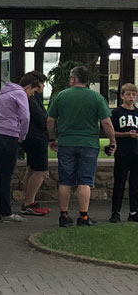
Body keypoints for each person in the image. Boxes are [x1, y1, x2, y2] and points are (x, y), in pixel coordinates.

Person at [48, 65, 118, 227]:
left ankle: (64, 215)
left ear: (73, 79)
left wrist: (51, 138)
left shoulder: (61, 96)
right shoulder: (96, 97)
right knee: (85, 180)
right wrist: (112, 140)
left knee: (65, 180)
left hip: (66, 142)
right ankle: (83, 216)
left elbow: (50, 120)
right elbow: (106, 122)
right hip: (89, 143)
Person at [0, 72, 41, 221]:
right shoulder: (20, 94)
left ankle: (1, 209)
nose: (32, 95)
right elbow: (26, 117)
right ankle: (6, 213)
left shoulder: (3, 93)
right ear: (29, 87)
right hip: (8, 136)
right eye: (33, 91)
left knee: (0, 174)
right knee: (6, 176)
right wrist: (22, 136)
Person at [19, 72, 51, 216]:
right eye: (42, 84)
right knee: (40, 171)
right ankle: (29, 203)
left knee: (31, 169)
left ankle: (28, 200)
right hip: (36, 138)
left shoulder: (32, 97)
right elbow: (41, 118)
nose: (43, 87)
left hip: (30, 138)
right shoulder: (30, 99)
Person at [108, 82, 138, 223]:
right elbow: (111, 132)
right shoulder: (116, 113)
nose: (131, 97)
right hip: (122, 152)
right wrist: (126, 134)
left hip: (136, 152)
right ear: (122, 96)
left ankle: (134, 211)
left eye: (133, 95)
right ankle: (116, 212)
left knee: (135, 183)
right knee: (119, 182)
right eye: (128, 94)